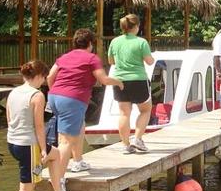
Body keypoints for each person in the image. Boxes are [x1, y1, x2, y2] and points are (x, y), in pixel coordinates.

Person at [6, 60, 69, 191]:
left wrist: (46, 150)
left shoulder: (13, 92)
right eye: (44, 78)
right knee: (26, 188)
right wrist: (42, 149)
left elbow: (10, 118)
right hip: (29, 145)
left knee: (55, 154)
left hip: (13, 142)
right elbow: (39, 126)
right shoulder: (37, 95)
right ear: (40, 76)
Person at [47, 29, 123, 177]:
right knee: (65, 141)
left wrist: (55, 92)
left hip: (54, 96)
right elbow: (103, 80)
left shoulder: (64, 57)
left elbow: (50, 76)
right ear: (90, 43)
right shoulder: (91, 58)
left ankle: (77, 161)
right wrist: (119, 82)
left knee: (80, 126)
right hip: (72, 100)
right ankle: (58, 180)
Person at [108, 14, 154, 153]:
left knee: (124, 114)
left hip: (119, 80)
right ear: (136, 27)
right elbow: (149, 61)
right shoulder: (141, 42)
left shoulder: (115, 42)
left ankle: (125, 145)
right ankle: (138, 139)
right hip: (138, 80)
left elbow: (111, 61)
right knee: (145, 110)